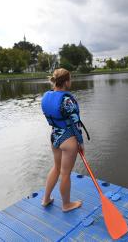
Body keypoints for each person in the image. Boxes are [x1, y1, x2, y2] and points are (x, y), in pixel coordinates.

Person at [40, 68, 85, 212]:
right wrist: (80, 142)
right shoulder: (67, 100)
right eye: (70, 79)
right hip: (68, 138)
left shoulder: (46, 96)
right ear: (66, 82)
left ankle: (46, 199)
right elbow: (75, 122)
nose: (71, 82)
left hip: (54, 136)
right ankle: (66, 205)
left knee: (56, 168)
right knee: (65, 173)